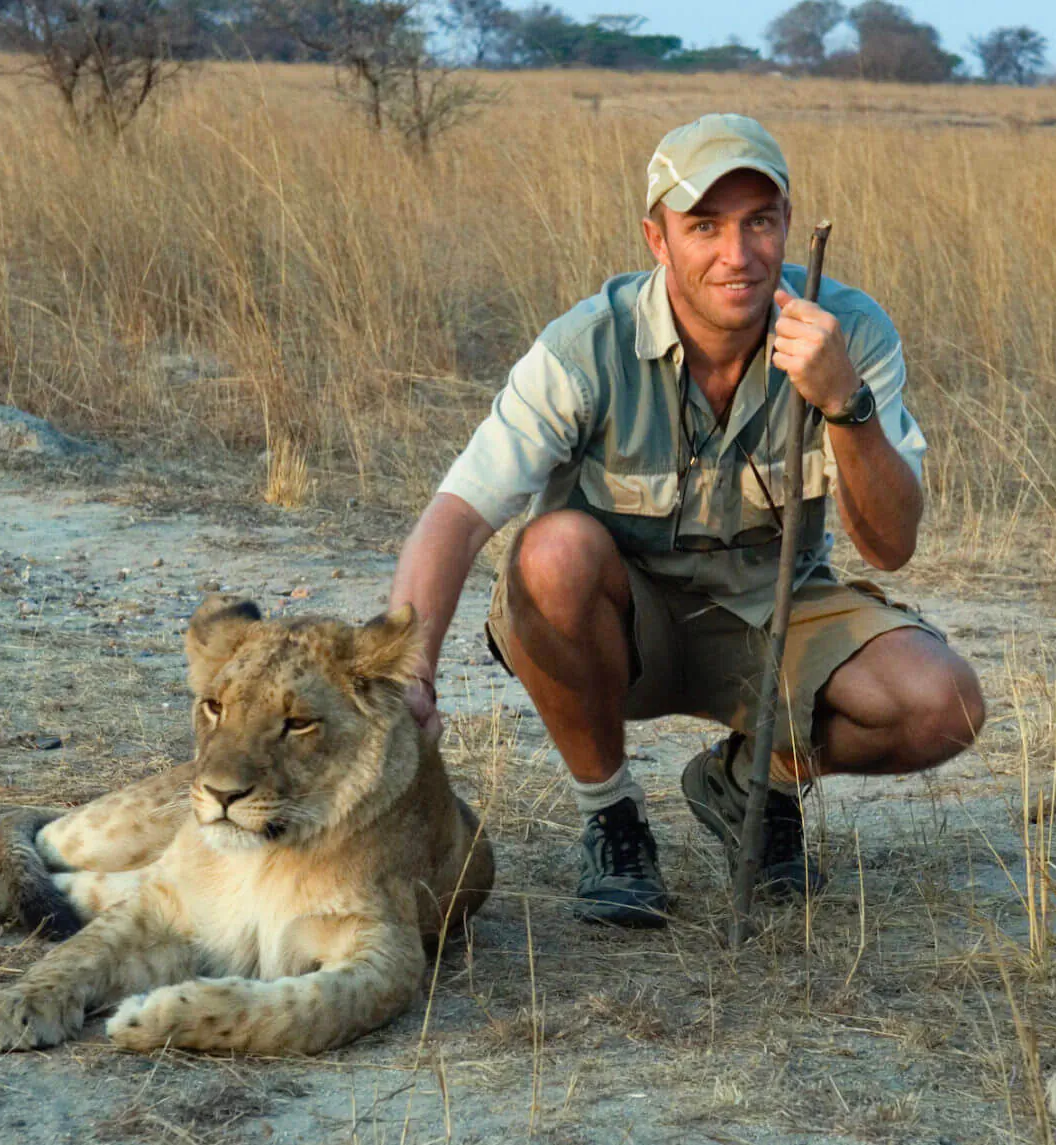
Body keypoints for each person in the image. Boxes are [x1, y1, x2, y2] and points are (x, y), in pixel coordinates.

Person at [389, 113, 984, 928]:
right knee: (551, 551)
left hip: (774, 616)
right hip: (622, 630)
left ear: (785, 225)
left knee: (942, 704)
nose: (737, 256)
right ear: (657, 239)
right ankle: (612, 817)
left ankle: (754, 779)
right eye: (704, 226)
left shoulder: (847, 331)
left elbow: (891, 544)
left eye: (759, 223)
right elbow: (456, 516)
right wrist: (409, 669)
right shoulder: (587, 346)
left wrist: (845, 403)